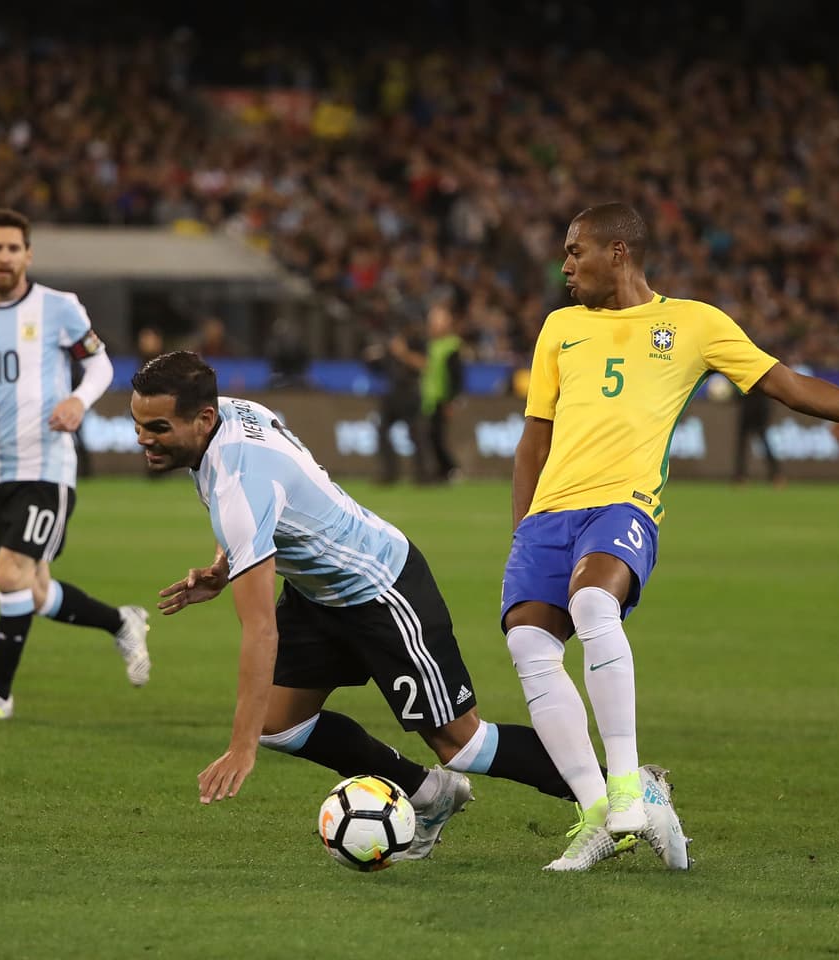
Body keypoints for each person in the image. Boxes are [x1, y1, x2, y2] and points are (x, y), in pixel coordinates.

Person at [505, 202, 839, 870]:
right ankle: (601, 814)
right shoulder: (559, 328)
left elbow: (792, 387)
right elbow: (535, 439)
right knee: (529, 642)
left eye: (574, 251)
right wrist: (523, 531)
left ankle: (625, 793)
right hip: (549, 516)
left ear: (618, 252)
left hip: (623, 506)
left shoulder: (694, 323)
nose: (564, 266)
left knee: (592, 607)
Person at [129, 351, 669, 865]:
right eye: (137, 424)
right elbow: (281, 498)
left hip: (382, 590)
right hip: (319, 593)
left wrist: (240, 748)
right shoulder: (235, 418)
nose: (143, 440)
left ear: (202, 418)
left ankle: (627, 788)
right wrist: (226, 565)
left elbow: (260, 632)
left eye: (158, 429)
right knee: (278, 722)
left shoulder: (236, 478)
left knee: (463, 743)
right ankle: (428, 794)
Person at [0, 208, 151, 721]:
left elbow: (100, 363)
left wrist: (78, 400)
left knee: (10, 573)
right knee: (33, 592)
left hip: (47, 466)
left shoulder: (59, 308)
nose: (5, 257)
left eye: (14, 248)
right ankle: (122, 622)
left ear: (28, 255)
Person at [362, 317, 424, 485]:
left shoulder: (417, 342)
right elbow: (380, 368)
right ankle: (389, 472)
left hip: (410, 395)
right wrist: (371, 358)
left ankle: (422, 474)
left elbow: (423, 364)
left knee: (417, 434)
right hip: (392, 395)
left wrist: (402, 352)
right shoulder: (389, 347)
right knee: (382, 431)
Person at [419, 298, 465, 483]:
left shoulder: (451, 345)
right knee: (430, 436)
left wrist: (452, 400)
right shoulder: (431, 345)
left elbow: (456, 376)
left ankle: (450, 468)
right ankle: (441, 471)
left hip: (442, 398)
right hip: (428, 398)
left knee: (437, 436)